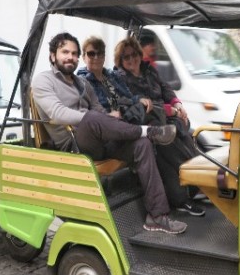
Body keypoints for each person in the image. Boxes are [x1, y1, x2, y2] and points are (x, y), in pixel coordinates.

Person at [31, 32, 187, 234]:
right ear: (53, 55)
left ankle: (157, 216)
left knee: (142, 145)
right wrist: (93, 117)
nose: (70, 57)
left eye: (74, 53)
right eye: (65, 52)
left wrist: (111, 118)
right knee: (92, 117)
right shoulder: (43, 81)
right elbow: (58, 113)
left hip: (100, 139)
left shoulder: (82, 84)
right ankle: (148, 131)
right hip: (74, 144)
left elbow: (100, 112)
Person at [114, 36, 205, 216]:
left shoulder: (149, 70)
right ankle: (180, 199)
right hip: (147, 123)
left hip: (166, 119)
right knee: (168, 148)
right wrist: (169, 110)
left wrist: (177, 104)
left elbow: (165, 89)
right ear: (121, 61)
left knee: (186, 139)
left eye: (134, 54)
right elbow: (139, 106)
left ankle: (196, 183)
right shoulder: (121, 80)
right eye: (126, 57)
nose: (131, 59)